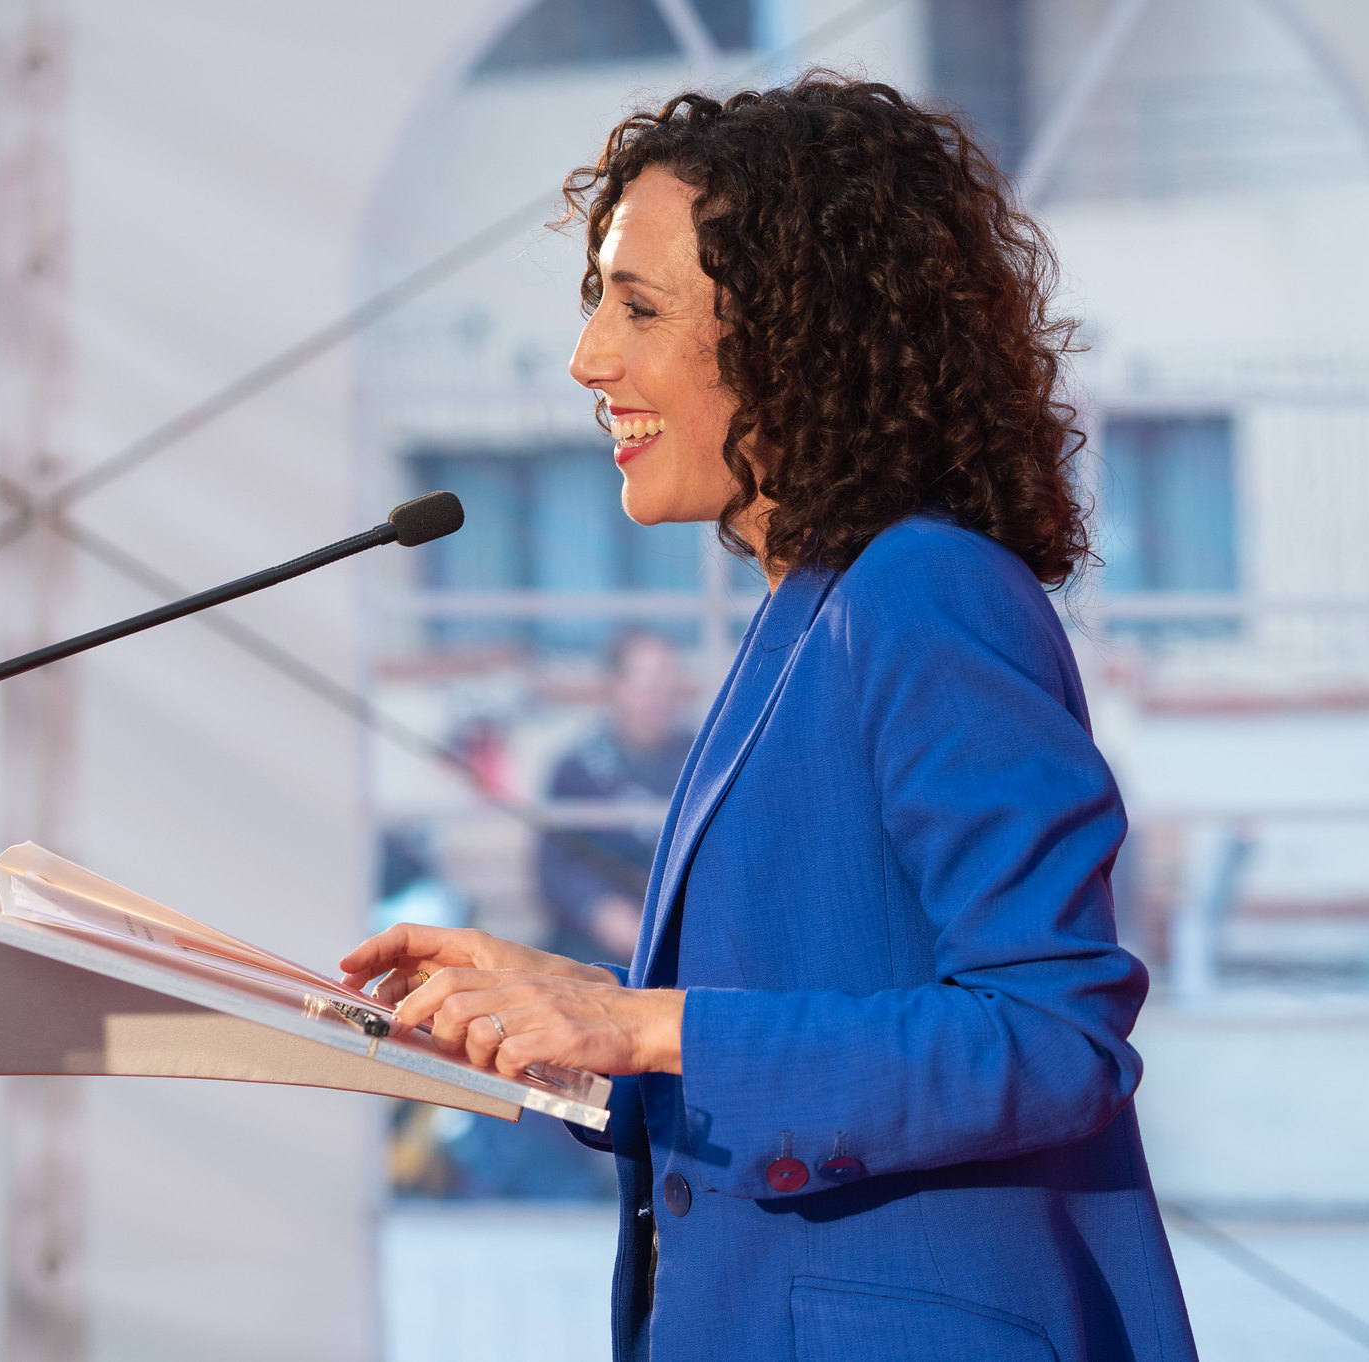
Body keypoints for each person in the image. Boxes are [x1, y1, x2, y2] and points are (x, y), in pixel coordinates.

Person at [342, 73, 1199, 1362]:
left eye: (637, 308)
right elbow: (802, 1016)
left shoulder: (924, 590)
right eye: (596, 303)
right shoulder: (809, 605)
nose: (587, 357)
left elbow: (1048, 1032)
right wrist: (576, 1015)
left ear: (799, 335)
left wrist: (643, 1022)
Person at [536, 629, 695, 966]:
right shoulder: (577, 767)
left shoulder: (699, 760)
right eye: (645, 682)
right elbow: (554, 867)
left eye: (666, 679)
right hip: (596, 937)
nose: (657, 694)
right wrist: (599, 909)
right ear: (615, 687)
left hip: (680, 932)